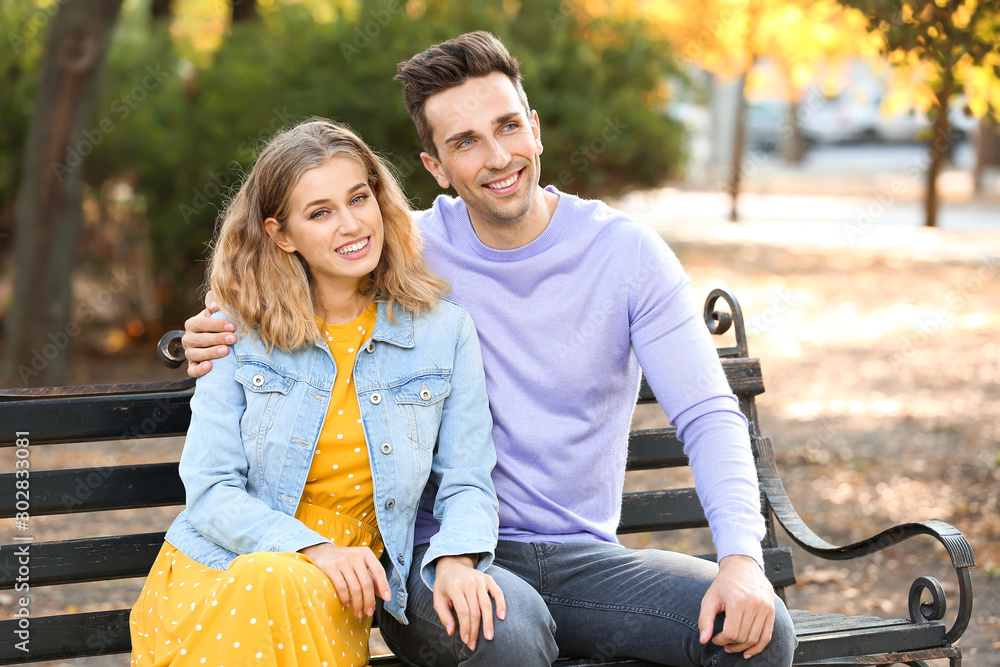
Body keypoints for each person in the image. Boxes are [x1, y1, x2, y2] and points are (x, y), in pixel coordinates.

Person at [183, 33, 797, 666]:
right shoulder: (406, 248)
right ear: (436, 169)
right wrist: (198, 334)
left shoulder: (625, 255)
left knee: (758, 630)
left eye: (507, 127)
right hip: (434, 562)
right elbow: (278, 270)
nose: (498, 156)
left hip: (586, 562)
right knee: (506, 630)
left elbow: (708, 414)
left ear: (534, 129)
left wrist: (742, 559)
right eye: (465, 142)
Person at [130, 119, 506, 667]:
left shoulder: (442, 332)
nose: (352, 224)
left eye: (359, 198)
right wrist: (311, 549)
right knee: (274, 575)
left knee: (284, 582)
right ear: (281, 234)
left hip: (337, 588)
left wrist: (457, 557)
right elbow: (210, 488)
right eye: (320, 212)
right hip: (222, 568)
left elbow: (468, 481)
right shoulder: (235, 329)